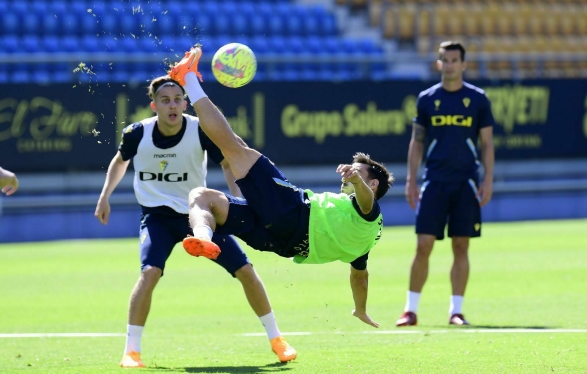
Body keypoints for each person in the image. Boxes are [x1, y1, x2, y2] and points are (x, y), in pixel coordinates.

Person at [168, 46, 394, 329]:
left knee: (234, 147)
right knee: (202, 197)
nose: (349, 174)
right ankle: (205, 238)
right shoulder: (364, 243)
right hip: (280, 243)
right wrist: (361, 309)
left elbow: (367, 201)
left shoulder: (368, 210)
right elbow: (360, 277)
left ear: (372, 183)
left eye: (358, 172)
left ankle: (186, 79)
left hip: (293, 212)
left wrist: (357, 180)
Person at [94, 75, 296, 368]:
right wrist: (104, 197)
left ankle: (277, 340)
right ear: (154, 105)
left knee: (246, 271)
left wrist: (240, 200)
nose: (172, 105)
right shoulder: (137, 133)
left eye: (177, 99)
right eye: (165, 100)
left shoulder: (199, 129)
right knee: (149, 273)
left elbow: (228, 164)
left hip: (198, 216)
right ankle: (131, 351)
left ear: (185, 103)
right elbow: (120, 161)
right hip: (157, 217)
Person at [396, 41, 495, 327]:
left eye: (454, 60)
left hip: (465, 182)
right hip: (435, 181)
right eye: (445, 60)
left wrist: (487, 178)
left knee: (461, 245)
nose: (449, 64)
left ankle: (456, 311)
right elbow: (417, 141)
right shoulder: (427, 99)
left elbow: (487, 143)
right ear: (438, 64)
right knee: (423, 245)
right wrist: (411, 180)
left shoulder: (477, 99)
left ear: (463, 64)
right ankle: (410, 310)